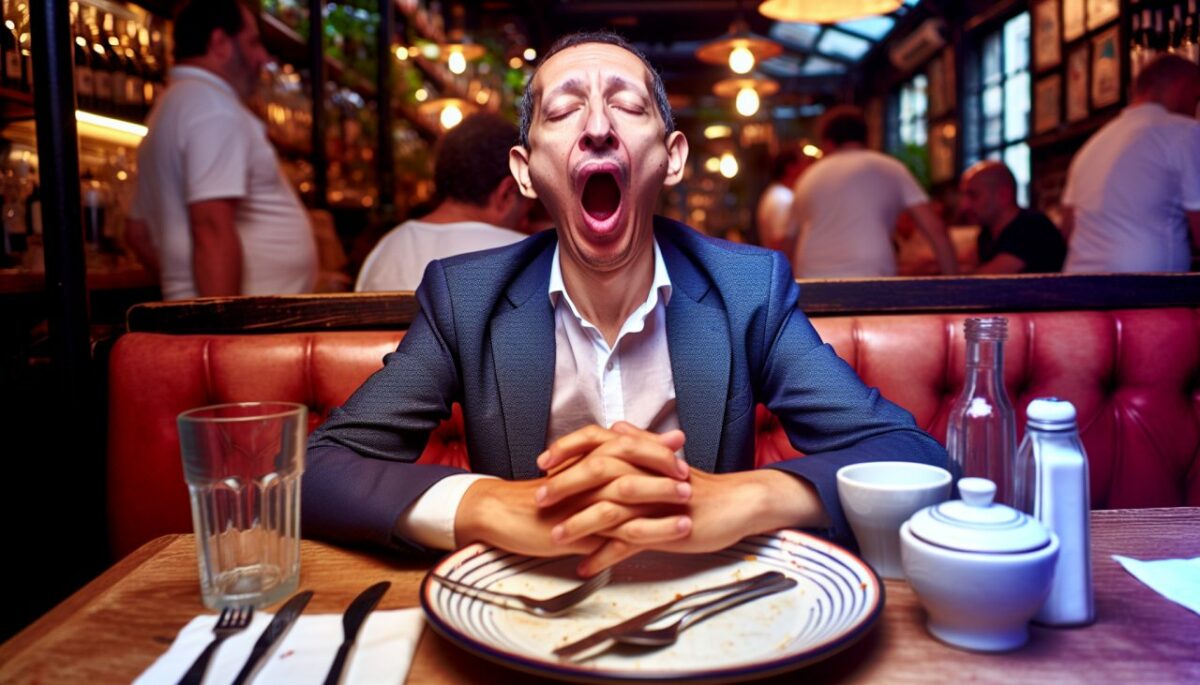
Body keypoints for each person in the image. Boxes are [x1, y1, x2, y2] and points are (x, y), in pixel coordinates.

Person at [303, 32, 950, 577]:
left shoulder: (748, 288)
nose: (597, 127)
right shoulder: (464, 297)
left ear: (671, 158)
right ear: (526, 173)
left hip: (708, 612)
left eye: (627, 105)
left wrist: (735, 498)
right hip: (523, 615)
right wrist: (491, 505)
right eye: (562, 111)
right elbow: (317, 469)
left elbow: (913, 455)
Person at [125, 0, 316, 300]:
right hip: (245, 333)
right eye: (253, 43)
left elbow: (138, 234)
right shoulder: (212, 108)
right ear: (220, 43)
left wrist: (183, 293)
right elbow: (212, 227)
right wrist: (220, 330)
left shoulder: (168, 109)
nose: (262, 58)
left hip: (222, 324)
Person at [355, 113, 533, 292]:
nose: (525, 223)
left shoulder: (387, 248)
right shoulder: (530, 259)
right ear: (507, 193)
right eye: (527, 211)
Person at [1061, 55, 1200, 273]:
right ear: (1183, 86)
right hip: (1145, 292)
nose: (1195, 108)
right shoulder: (1186, 131)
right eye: (1196, 98)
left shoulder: (1093, 144)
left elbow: (1068, 228)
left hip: (1079, 287)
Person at [789, 106, 958, 278]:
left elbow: (788, 241)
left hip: (811, 277)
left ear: (828, 143)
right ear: (866, 137)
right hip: (870, 274)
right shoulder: (891, 167)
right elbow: (935, 230)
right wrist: (954, 289)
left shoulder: (807, 177)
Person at [958, 161, 1066, 274]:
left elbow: (979, 283)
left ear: (1004, 195)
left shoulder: (1032, 228)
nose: (964, 206)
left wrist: (939, 233)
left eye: (973, 195)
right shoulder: (988, 233)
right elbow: (961, 263)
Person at [755, 146, 808, 254]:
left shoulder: (778, 194)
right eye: (803, 162)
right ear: (790, 168)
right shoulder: (782, 199)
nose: (807, 168)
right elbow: (780, 243)